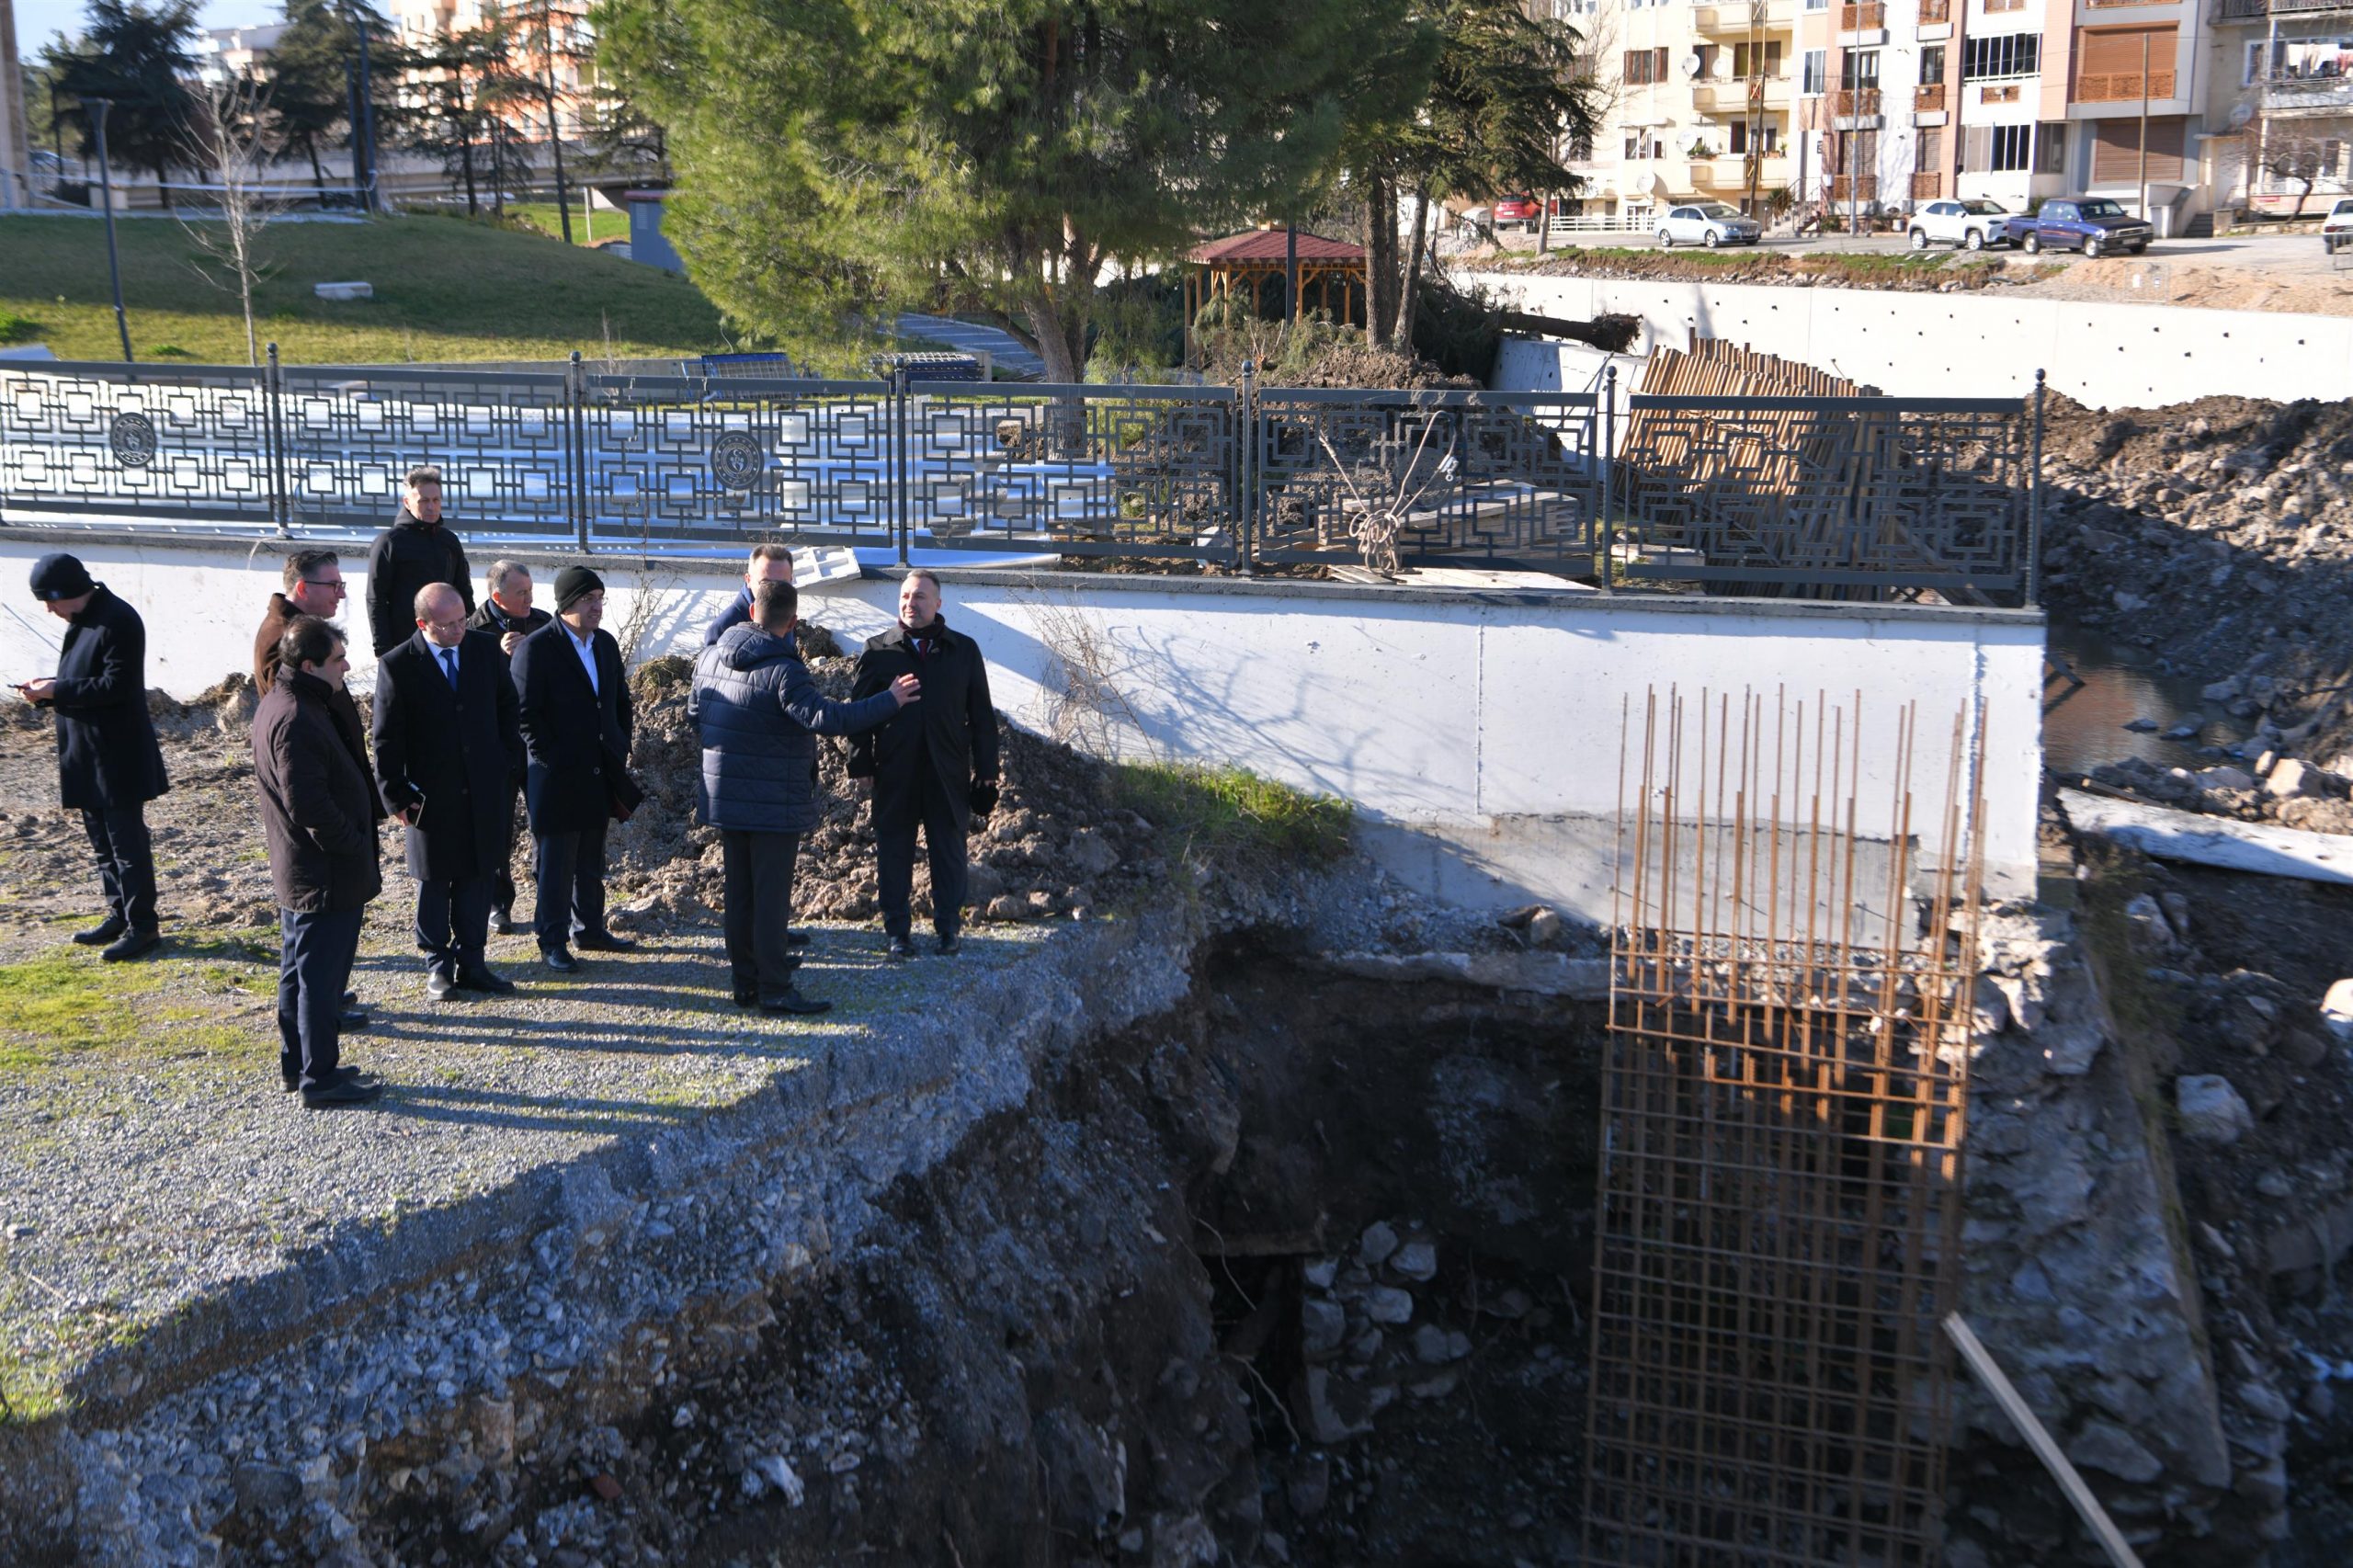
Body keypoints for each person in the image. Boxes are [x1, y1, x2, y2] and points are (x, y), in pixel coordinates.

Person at [691, 579, 916, 1015]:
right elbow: (829, 718)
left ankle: (746, 983)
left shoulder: (709, 657)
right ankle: (775, 988)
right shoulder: (784, 669)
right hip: (774, 800)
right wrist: (890, 700)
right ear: (793, 622)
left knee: (740, 894)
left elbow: (695, 715)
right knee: (771, 898)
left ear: (751, 609)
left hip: (724, 796)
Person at [252, 616, 383, 1108]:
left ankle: (300, 1065)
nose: (346, 667)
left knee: (299, 974)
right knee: (318, 982)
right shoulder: (296, 718)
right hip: (323, 874)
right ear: (309, 665)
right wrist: (353, 843)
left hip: (304, 871)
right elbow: (308, 805)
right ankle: (320, 1079)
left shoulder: (286, 702)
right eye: (338, 660)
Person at [15, 553, 169, 961]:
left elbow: (116, 686)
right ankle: (118, 914)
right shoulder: (83, 620)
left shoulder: (117, 619)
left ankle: (143, 927)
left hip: (117, 755)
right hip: (86, 754)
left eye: (50, 601)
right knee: (103, 843)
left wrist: (57, 690)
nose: (49, 610)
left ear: (66, 592)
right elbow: (83, 680)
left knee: (126, 845)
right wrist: (48, 691)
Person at [375, 585, 525, 1001]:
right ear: (423, 624)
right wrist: (397, 796)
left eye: (462, 619)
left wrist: (504, 760)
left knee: (479, 877)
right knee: (435, 881)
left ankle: (474, 963)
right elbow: (386, 738)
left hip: (483, 789)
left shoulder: (483, 649)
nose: (459, 628)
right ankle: (438, 967)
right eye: (448, 624)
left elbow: (508, 706)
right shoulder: (399, 664)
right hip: (430, 797)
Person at [848, 570, 1000, 960]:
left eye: (919, 597)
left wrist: (986, 773)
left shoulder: (962, 650)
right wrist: (860, 762)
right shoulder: (879, 650)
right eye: (904, 596)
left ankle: (948, 927)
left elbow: (982, 717)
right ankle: (897, 931)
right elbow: (859, 713)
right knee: (894, 851)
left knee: (949, 852)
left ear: (937, 604)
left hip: (946, 772)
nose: (910, 604)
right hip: (894, 771)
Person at [254, 548, 375, 1031]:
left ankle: (319, 1015)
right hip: (319, 842)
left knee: (315, 950)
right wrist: (349, 840)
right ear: (303, 590)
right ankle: (315, 1040)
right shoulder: (285, 644)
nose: (342, 593)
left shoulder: (311, 636)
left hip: (333, 796)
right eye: (334, 585)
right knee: (311, 945)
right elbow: (300, 773)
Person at [511, 565, 640, 972]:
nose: (597, 607)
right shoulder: (538, 648)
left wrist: (619, 744)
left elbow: (620, 700)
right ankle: (551, 938)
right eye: (588, 600)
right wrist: (551, 758)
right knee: (556, 862)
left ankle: (589, 929)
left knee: (590, 856)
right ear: (567, 605)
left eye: (600, 599)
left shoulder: (603, 644)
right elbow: (525, 715)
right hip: (555, 775)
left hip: (598, 768)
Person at [464, 560, 551, 934]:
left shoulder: (545, 621)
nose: (530, 598)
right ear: (497, 596)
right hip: (496, 741)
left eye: (531, 590)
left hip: (536, 739)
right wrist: (498, 657)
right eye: (522, 593)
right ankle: (498, 904)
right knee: (498, 824)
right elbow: (465, 684)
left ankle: (547, 897)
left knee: (544, 820)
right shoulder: (471, 628)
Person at [365, 465, 474, 658]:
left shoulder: (449, 540)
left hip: (450, 644)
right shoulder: (389, 542)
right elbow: (376, 599)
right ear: (407, 502)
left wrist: (471, 633)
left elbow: (464, 591)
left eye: (436, 500)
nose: (431, 507)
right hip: (407, 646)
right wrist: (383, 650)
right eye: (423, 501)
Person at [702, 543, 796, 648]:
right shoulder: (723, 627)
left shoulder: (786, 615)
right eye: (766, 583)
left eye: (782, 584)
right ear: (748, 580)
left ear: (791, 581)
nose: (775, 590)